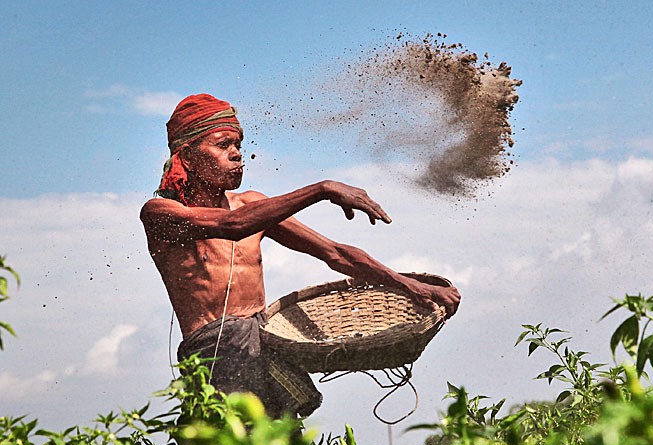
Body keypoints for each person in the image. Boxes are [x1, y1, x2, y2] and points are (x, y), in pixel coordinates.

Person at [141, 94, 460, 419]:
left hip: (265, 342)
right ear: (188, 158)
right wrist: (322, 190)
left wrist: (409, 285)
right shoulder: (161, 213)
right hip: (214, 353)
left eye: (238, 144)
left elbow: (336, 254)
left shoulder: (252, 205)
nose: (236, 153)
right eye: (223, 145)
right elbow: (232, 226)